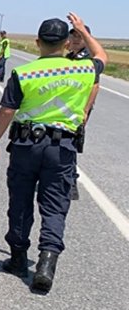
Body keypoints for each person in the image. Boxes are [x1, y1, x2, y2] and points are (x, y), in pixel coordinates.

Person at [0, 13, 105, 293]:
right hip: (62, 149)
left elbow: (7, 111)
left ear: (38, 42)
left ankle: (17, 258)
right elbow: (101, 55)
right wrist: (83, 32)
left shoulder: (25, 73)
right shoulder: (85, 69)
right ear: (66, 43)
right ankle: (46, 265)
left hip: (26, 147)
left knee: (21, 201)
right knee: (55, 206)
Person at [65, 22, 101, 201]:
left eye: (80, 36)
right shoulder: (72, 56)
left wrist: (85, 110)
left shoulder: (86, 59)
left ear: (87, 39)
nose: (75, 39)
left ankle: (71, 183)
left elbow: (95, 86)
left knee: (70, 141)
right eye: (73, 36)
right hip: (69, 106)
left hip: (79, 108)